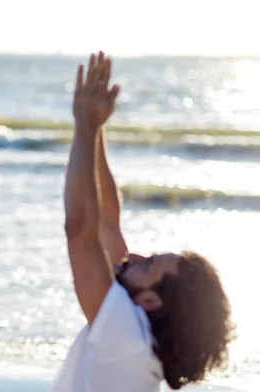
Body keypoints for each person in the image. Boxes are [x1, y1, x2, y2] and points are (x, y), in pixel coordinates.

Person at [52, 51, 235, 391]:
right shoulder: (138, 341)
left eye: (148, 263)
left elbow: (80, 228)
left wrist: (84, 124)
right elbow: (107, 222)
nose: (132, 256)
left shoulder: (127, 338)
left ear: (151, 301)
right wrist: (96, 129)